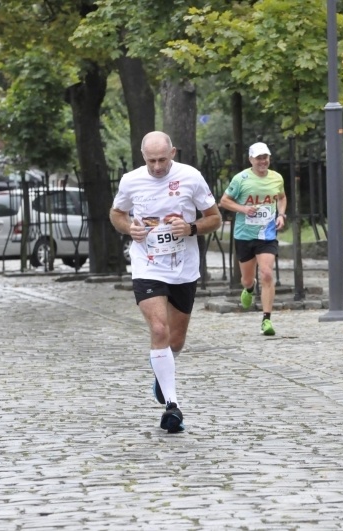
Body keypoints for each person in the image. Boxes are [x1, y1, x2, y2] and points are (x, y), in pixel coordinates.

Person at [110, 131, 222, 433]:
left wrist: (190, 227)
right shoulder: (131, 180)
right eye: (151, 161)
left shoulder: (191, 177)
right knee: (158, 329)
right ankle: (172, 407)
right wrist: (128, 229)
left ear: (172, 152)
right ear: (142, 156)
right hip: (147, 266)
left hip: (183, 268)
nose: (157, 166)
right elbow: (117, 213)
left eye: (162, 159)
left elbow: (215, 218)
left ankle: (162, 375)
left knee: (175, 341)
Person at [219, 142, 287, 336]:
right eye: (258, 158)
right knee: (248, 278)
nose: (262, 161)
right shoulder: (241, 179)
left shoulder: (276, 178)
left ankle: (266, 319)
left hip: (267, 234)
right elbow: (224, 201)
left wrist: (281, 215)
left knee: (266, 273)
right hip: (244, 234)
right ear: (251, 160)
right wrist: (243, 209)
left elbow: (281, 197)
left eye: (265, 157)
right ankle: (249, 289)